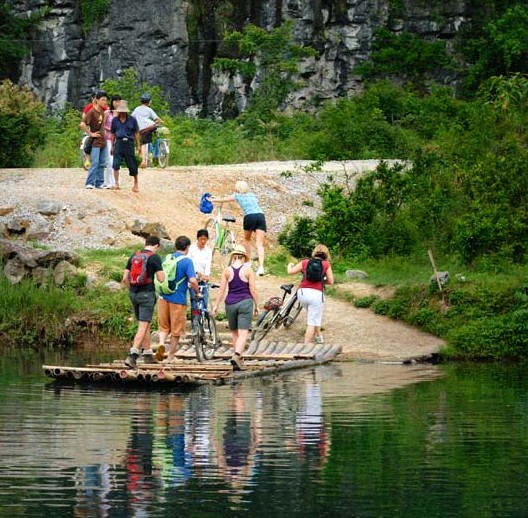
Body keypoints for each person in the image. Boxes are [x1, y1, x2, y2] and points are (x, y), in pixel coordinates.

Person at [212, 244, 259, 371]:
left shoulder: (227, 271)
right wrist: (257, 305)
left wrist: (216, 305)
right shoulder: (248, 271)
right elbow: (252, 289)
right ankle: (237, 355)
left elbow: (221, 289)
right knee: (243, 332)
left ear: (234, 257)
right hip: (245, 302)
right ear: (244, 258)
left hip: (230, 303)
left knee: (234, 333)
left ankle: (239, 358)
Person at [208, 180, 267, 276]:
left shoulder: (237, 196)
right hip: (261, 216)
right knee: (259, 244)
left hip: (249, 216)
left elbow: (224, 199)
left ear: (237, 189)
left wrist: (211, 200)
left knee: (247, 240)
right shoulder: (252, 195)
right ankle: (261, 267)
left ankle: (247, 264)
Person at [123, 235, 165, 369]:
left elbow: (125, 278)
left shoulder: (133, 256)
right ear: (156, 246)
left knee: (144, 323)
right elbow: (161, 278)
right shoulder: (154, 257)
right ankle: (132, 355)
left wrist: (132, 290)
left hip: (134, 294)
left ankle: (147, 354)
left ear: (145, 243)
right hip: (147, 294)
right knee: (142, 327)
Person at [157, 235, 201, 363]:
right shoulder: (187, 261)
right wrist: (197, 292)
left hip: (163, 297)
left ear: (176, 246)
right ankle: (171, 356)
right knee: (176, 330)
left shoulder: (167, 257)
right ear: (187, 248)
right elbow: (193, 280)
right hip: (178, 299)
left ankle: (161, 343)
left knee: (164, 326)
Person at [286, 244, 334, 345]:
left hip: (302, 294)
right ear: (326, 254)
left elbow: (290, 272)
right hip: (316, 295)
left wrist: (289, 265)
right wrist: (322, 281)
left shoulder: (305, 262)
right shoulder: (326, 264)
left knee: (314, 315)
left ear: (314, 252)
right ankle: (306, 346)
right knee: (312, 322)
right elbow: (331, 281)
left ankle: (319, 335)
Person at [79, 91, 109, 189]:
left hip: (103, 140)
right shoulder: (92, 111)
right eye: (103, 100)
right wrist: (90, 133)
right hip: (95, 141)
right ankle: (90, 182)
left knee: (102, 163)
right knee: (95, 162)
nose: (105, 102)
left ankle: (99, 182)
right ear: (97, 100)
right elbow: (82, 124)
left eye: (106, 100)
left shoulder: (103, 112)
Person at [110, 100, 141, 192]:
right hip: (119, 142)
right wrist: (112, 146)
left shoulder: (132, 120)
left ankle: (136, 183)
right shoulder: (115, 120)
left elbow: (136, 133)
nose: (122, 112)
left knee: (132, 164)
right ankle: (116, 183)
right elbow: (113, 133)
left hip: (129, 143)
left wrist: (138, 145)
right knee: (116, 164)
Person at [131, 93, 163, 168]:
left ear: (140, 102)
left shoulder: (137, 109)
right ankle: (156, 149)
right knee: (153, 133)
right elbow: (157, 119)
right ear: (149, 102)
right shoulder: (149, 109)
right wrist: (161, 121)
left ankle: (143, 161)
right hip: (152, 126)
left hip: (144, 129)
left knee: (144, 144)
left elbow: (131, 118)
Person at [188, 228, 213, 307]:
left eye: (205, 239)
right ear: (197, 238)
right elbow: (189, 262)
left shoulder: (208, 250)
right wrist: (197, 272)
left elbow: (208, 264)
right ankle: (195, 318)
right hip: (193, 279)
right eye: (201, 239)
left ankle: (203, 317)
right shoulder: (191, 248)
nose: (203, 241)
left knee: (204, 301)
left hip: (203, 279)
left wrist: (206, 275)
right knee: (194, 301)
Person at [102, 94, 121, 189]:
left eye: (118, 101)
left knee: (117, 161)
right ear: (112, 102)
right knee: (109, 161)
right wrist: (110, 128)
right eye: (115, 101)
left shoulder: (122, 113)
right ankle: (109, 182)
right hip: (108, 139)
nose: (117, 103)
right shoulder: (107, 113)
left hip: (118, 139)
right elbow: (103, 125)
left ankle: (116, 182)